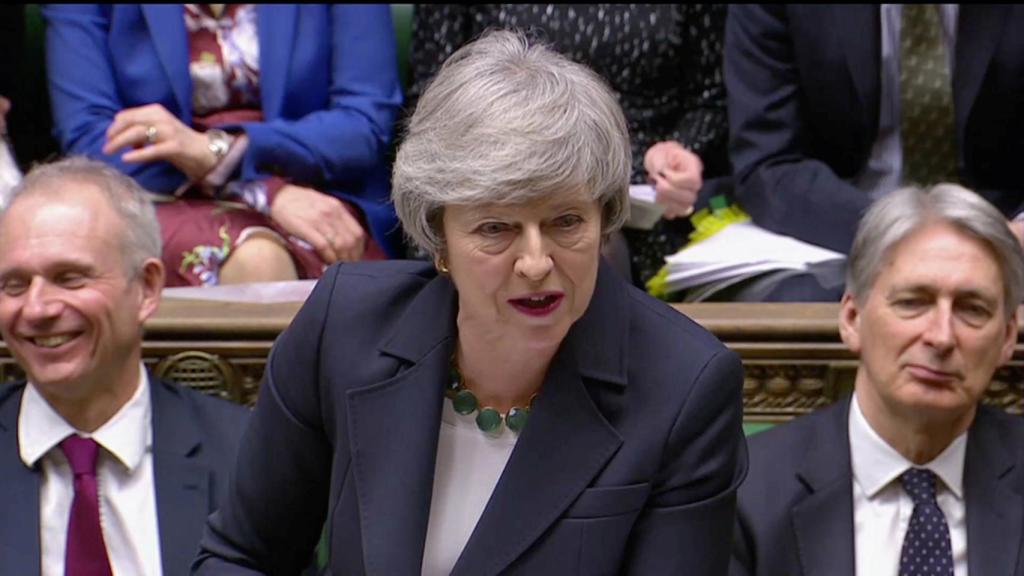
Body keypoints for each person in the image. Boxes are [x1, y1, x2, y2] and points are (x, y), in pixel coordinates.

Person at [193, 30, 746, 575]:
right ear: (440, 240)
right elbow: (241, 556)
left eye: (565, 222)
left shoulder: (683, 385)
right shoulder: (344, 326)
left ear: (603, 219)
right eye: (496, 228)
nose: (535, 263)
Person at [730, 184, 1024, 575]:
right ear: (852, 319)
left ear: (1007, 337)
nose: (941, 336)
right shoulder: (748, 490)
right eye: (912, 302)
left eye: (972, 310)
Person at [0, 157, 249, 576]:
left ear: (147, 288)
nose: (37, 308)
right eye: (14, 284)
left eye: (69, 277)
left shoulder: (244, 457)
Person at [42, 5, 403, 286]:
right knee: (256, 259)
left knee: (299, 257)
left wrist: (222, 153)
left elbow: (364, 124)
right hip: (153, 190)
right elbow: (90, 138)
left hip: (317, 190)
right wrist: (261, 191)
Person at [408, 4, 730, 287]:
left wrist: (681, 152)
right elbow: (433, 104)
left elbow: (711, 98)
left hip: (643, 190)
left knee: (583, 247)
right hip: (494, 180)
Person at [726, 5, 1024, 301]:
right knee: (800, 304)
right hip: (843, 227)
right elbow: (769, 163)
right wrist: (903, 232)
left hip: (1001, 229)